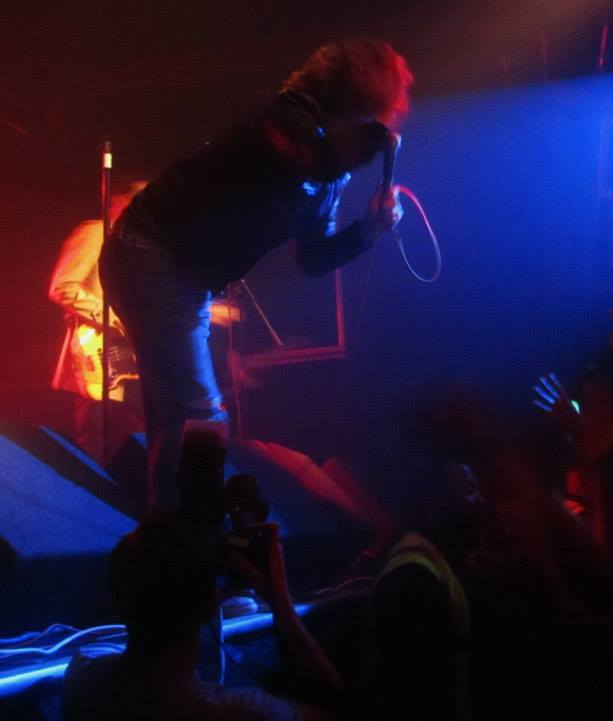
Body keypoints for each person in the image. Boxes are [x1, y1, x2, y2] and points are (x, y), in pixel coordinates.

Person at [100, 37, 413, 507]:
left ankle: (168, 530)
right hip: (148, 252)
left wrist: (368, 228)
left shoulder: (330, 176)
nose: (385, 131)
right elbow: (305, 157)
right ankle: (195, 537)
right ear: (355, 102)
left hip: (184, 276)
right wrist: (369, 146)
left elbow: (314, 258)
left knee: (174, 418)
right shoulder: (288, 119)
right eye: (377, 118)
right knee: (200, 417)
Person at [62, 512, 344, 721]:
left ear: (115, 598)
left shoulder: (82, 672)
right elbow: (338, 711)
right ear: (212, 605)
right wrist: (281, 603)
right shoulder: (245, 711)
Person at [49, 177, 147, 461]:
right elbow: (63, 287)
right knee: (97, 438)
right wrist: (113, 318)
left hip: (131, 357)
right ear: (121, 203)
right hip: (99, 349)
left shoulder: (135, 248)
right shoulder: (95, 232)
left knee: (133, 437)